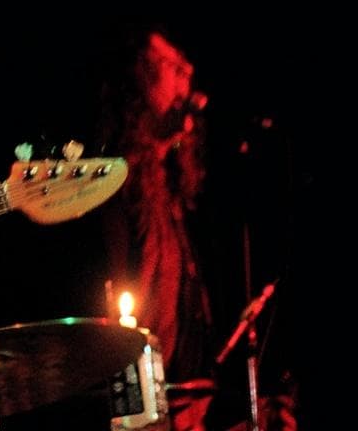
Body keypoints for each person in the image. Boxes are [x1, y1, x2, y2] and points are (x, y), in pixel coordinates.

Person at [89, 25, 296, 431]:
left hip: (186, 395)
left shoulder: (174, 188)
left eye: (187, 70)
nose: (187, 81)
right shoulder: (112, 185)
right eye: (170, 68)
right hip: (142, 401)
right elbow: (115, 301)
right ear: (137, 83)